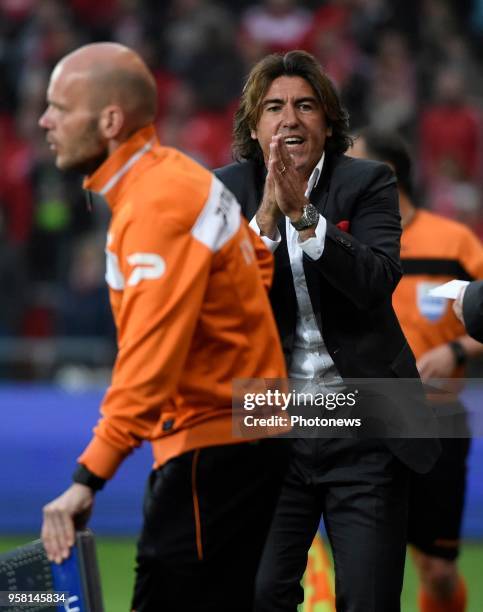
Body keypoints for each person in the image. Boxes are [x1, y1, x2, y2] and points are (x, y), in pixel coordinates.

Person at [38, 42, 290, 612]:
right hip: (238, 442)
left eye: (59, 106)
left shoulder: (154, 206)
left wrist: (88, 475)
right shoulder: (180, 178)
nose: (44, 120)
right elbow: (261, 265)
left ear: (108, 121)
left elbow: (150, 365)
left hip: (214, 447)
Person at [215, 49, 440, 612]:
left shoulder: (368, 182)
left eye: (304, 105)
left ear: (329, 121)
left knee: (365, 599)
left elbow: (375, 281)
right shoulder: (224, 190)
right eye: (273, 107)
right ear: (253, 124)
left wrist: (306, 218)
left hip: (365, 429)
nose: (289, 119)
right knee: (261, 591)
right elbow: (219, 305)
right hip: (272, 426)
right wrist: (266, 221)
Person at [351, 128, 483, 612]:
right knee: (364, 567)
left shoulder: (452, 242)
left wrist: (457, 350)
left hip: (437, 422)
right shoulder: (342, 242)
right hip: (364, 423)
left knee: (438, 573)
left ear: (382, 176)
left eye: (352, 162)